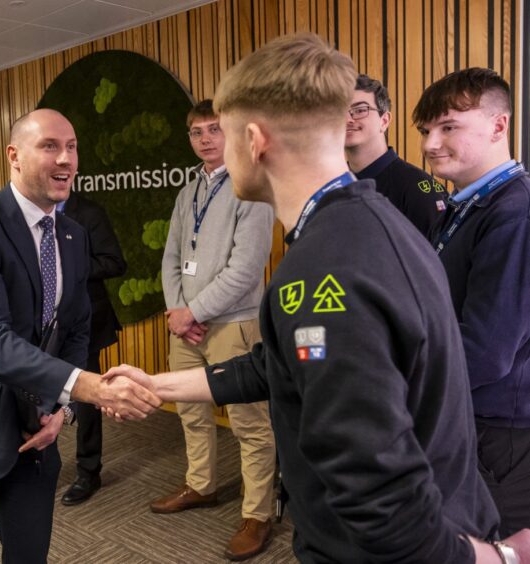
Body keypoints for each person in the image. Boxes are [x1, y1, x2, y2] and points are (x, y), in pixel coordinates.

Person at [106, 34, 530, 563]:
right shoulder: (362, 224)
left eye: (228, 133)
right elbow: (280, 364)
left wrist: (495, 560)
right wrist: (156, 384)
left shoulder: (327, 265)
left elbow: (378, 495)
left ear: (254, 139)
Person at [0, 108, 161, 564]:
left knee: (29, 553)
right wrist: (87, 388)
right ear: (14, 156)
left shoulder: (74, 237)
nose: (66, 159)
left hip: (34, 425)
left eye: (72, 147)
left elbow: (76, 328)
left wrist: (58, 406)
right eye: (50, 146)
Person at [153, 99, 276, 561]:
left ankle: (258, 515)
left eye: (213, 130)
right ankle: (201, 485)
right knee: (190, 411)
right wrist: (176, 310)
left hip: (233, 326)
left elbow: (245, 270)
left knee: (250, 424)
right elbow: (170, 257)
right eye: (196, 132)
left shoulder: (253, 188)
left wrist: (195, 312)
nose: (205, 139)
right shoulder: (189, 190)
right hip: (186, 326)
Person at [414, 67, 530, 537]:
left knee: (494, 542)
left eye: (448, 127)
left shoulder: (514, 213)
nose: (429, 144)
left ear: (499, 126)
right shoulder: (465, 205)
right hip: (467, 412)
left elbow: (486, 350)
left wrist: (401, 382)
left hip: (501, 427)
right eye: (425, 130)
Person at [58, 191, 127, 505]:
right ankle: (43, 466)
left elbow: (114, 262)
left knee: (86, 398)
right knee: (37, 392)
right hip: (40, 321)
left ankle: (88, 471)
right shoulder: (27, 214)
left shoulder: (88, 212)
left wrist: (67, 262)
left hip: (84, 322)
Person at [345, 73, 447, 236]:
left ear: (384, 121)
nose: (348, 119)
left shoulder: (417, 189)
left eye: (360, 110)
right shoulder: (332, 186)